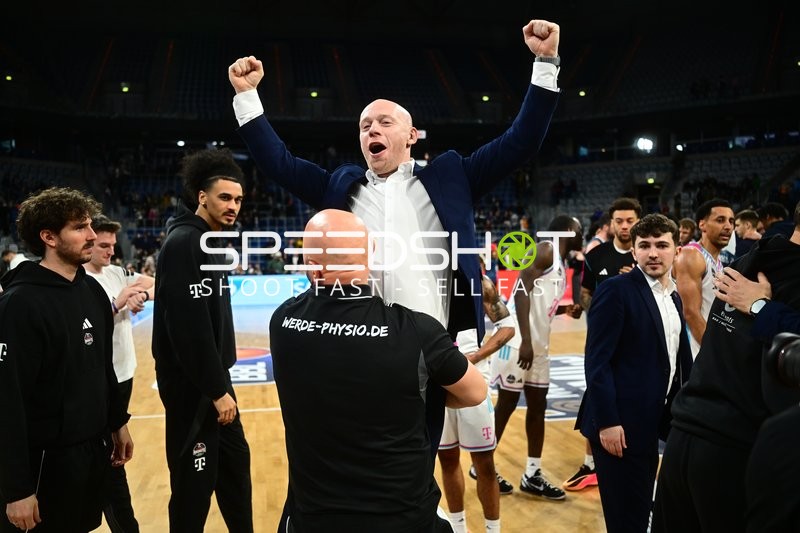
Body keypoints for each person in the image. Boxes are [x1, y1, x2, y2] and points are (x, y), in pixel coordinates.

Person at [229, 19, 561, 455]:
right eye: (365, 124)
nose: (372, 129)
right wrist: (247, 96)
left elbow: (521, 141)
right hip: (351, 346)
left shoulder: (452, 175)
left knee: (419, 458)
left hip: (426, 350)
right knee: (349, 453)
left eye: (385, 122)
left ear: (411, 135)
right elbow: (280, 163)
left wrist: (545, 63)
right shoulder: (340, 185)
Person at [269, 209, 487, 533]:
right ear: (371, 256)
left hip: (314, 520)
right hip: (404, 519)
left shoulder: (283, 322)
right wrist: (421, 389)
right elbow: (475, 392)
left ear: (312, 266)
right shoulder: (417, 331)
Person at [652, 201, 800, 532]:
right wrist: (762, 308)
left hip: (685, 431)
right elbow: (692, 313)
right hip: (733, 447)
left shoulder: (752, 258)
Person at [0, 187, 133, 533]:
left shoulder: (92, 291)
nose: (91, 235)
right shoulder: (19, 304)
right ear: (49, 237)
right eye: (79, 227)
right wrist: (16, 489)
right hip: (43, 465)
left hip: (89, 455)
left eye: (89, 225)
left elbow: (103, 368)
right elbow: (7, 401)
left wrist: (118, 422)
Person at [151, 149, 253, 532]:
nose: (233, 206)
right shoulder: (185, 242)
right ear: (202, 197)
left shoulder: (209, 242)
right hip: (193, 387)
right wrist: (215, 390)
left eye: (238, 199)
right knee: (193, 491)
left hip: (214, 380)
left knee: (235, 473)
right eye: (224, 197)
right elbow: (188, 327)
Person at [576, 214, 693, 533]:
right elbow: (597, 362)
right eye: (645, 246)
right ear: (634, 252)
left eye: (661, 245)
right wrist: (608, 422)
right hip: (618, 427)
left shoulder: (673, 296)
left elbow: (676, 359)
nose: (653, 253)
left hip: (650, 422)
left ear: (677, 251)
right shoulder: (615, 291)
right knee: (627, 519)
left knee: (641, 512)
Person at [490, 215, 583, 501]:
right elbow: (520, 291)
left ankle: (532, 474)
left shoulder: (561, 261)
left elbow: (539, 300)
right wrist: (527, 340)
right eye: (579, 230)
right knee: (507, 403)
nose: (582, 235)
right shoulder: (546, 249)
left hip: (538, 345)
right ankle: (483, 464)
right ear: (568, 231)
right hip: (519, 340)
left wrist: (565, 310)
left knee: (538, 405)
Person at [86, 214, 155, 533]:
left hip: (125, 371)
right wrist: (117, 304)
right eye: (104, 245)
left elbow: (154, 283)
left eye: (113, 245)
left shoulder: (115, 272)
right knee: (111, 458)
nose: (111, 251)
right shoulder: (80, 279)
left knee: (114, 450)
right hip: (100, 377)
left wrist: (140, 295)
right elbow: (84, 323)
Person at [566, 196, 640, 491]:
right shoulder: (596, 256)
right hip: (604, 341)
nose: (624, 226)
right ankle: (591, 463)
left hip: (639, 341)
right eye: (619, 221)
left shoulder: (647, 255)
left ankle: (633, 458)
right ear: (611, 224)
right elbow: (585, 293)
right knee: (598, 394)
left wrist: (637, 281)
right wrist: (598, 308)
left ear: (638, 221)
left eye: (630, 220)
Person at [439, 260, 515, 533]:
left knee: (484, 462)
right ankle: (458, 528)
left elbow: (507, 326)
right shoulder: (426, 282)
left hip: (473, 379)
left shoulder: (480, 283)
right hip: (439, 378)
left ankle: (493, 529)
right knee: (447, 460)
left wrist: (476, 356)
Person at [672, 198, 734, 358]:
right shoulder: (691, 255)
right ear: (702, 225)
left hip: (706, 347)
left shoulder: (718, 263)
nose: (728, 226)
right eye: (720, 220)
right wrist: (715, 354)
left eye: (731, 221)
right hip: (695, 354)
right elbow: (690, 313)